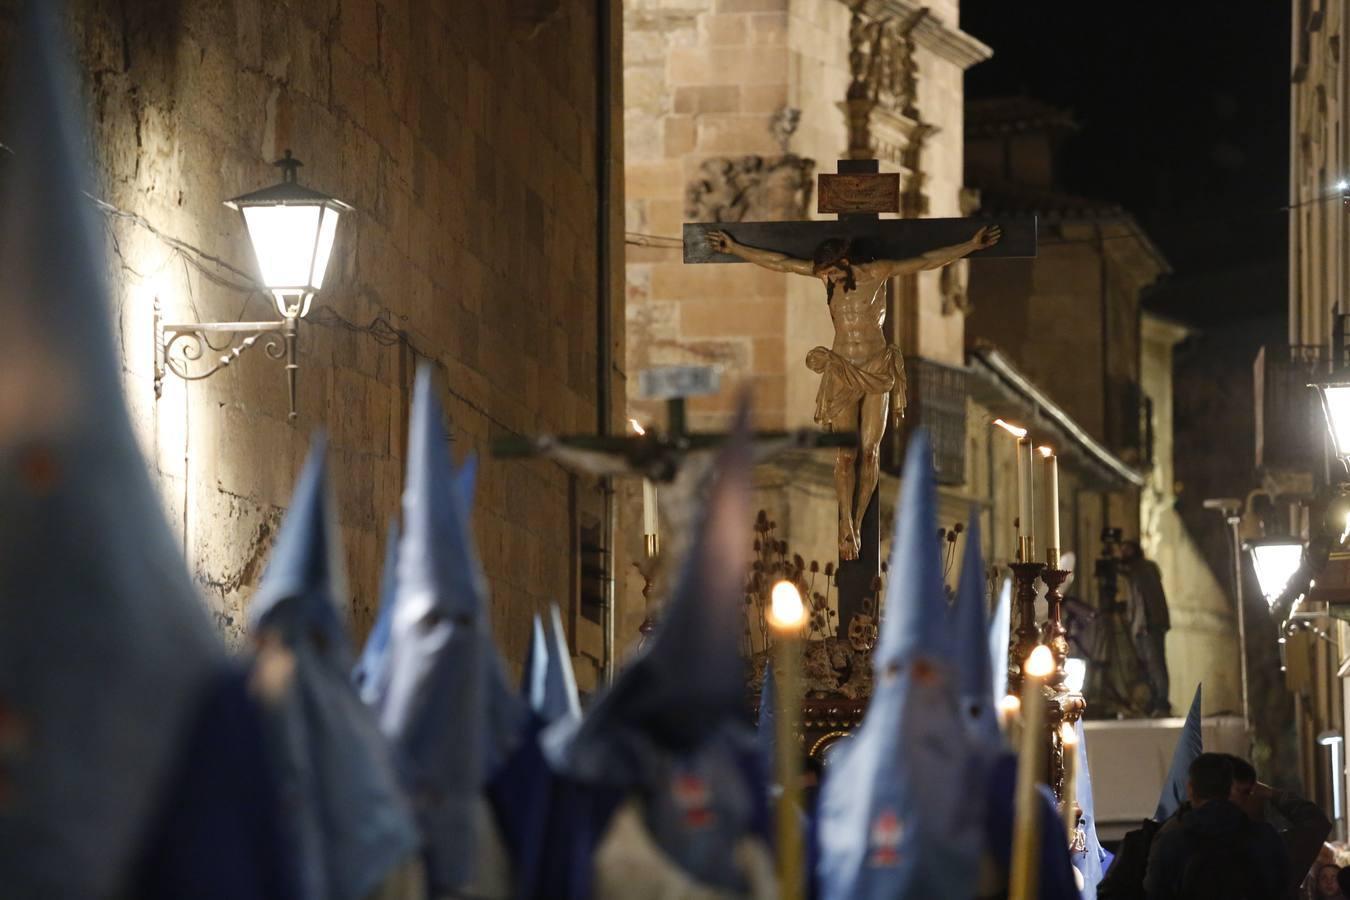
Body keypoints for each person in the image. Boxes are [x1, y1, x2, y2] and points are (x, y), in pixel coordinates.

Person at [705, 226, 1000, 562]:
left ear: (844, 262)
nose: (826, 277)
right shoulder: (827, 279)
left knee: (871, 450)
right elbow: (781, 262)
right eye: (823, 273)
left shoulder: (878, 273)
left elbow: (926, 261)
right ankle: (845, 521)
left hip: (876, 368)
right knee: (845, 454)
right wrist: (735, 248)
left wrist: (970, 245)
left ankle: (857, 523)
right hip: (842, 368)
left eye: (830, 270)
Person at [1142, 752, 1287, 900]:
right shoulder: (1265, 837)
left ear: (1190, 789)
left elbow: (1155, 892)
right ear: (1228, 788)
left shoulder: (1170, 840)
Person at [1224, 754, 1331, 899]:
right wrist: (1271, 793)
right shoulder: (1274, 849)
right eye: (1247, 791)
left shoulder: (1195, 842)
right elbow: (1316, 823)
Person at [1119, 540, 1171, 716]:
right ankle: (1153, 699)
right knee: (1147, 665)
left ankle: (1162, 702)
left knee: (1156, 664)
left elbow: (1148, 599)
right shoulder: (1136, 573)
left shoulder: (1145, 569)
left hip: (1150, 625)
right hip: (1140, 626)